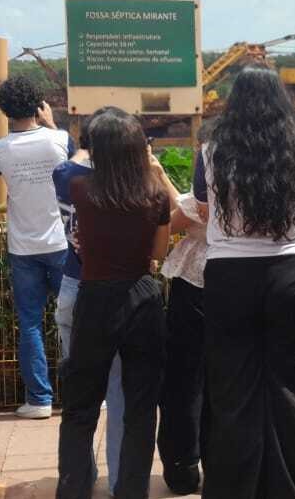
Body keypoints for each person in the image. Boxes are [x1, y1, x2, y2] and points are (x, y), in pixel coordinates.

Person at [194, 68, 295, 499]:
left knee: (232, 389)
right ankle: (286, 487)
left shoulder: (210, 151)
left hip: (229, 275)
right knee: (291, 386)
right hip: (291, 273)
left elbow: (201, 203)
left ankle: (233, 489)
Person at [57, 111, 177, 499]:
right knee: (141, 405)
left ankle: (74, 487)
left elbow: (69, 169)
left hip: (95, 296)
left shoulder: (80, 189)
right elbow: (158, 252)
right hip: (141, 295)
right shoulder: (154, 195)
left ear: (97, 149)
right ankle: (131, 489)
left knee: (82, 403)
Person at [0, 75, 75, 419]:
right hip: (61, 242)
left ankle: (39, 399)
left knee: (30, 323)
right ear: (39, 104)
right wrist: (51, 125)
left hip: (23, 246)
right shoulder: (60, 140)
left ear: (4, 109)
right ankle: (83, 392)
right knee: (73, 319)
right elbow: (77, 163)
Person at [52, 107, 127, 489]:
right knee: (120, 394)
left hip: (72, 284)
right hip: (116, 292)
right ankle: (120, 482)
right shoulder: (126, 182)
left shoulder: (64, 175)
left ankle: (79, 479)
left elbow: (73, 159)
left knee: (80, 395)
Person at [156, 120, 215, 496]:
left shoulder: (203, 194)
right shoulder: (248, 186)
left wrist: (158, 173)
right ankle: (221, 462)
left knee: (184, 379)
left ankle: (182, 467)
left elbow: (175, 217)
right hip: (233, 287)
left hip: (193, 288)